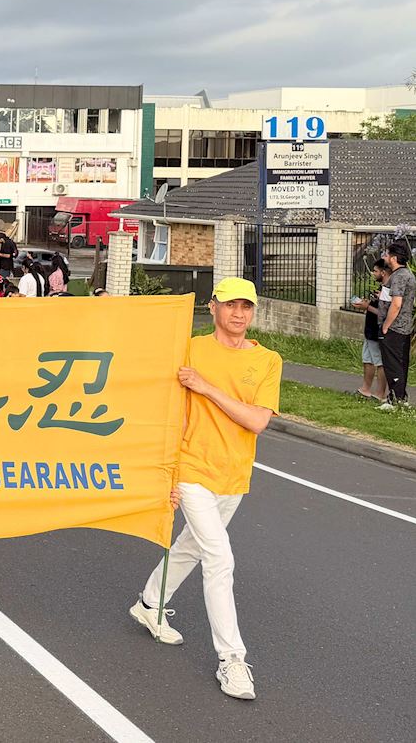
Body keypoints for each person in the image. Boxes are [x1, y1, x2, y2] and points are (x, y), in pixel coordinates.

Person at [128, 277, 280, 702]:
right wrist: (165, 473)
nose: (238, 314)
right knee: (219, 558)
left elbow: (257, 421)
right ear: (213, 307)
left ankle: (149, 604)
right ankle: (232, 659)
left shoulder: (268, 361)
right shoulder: (189, 349)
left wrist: (206, 387)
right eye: (230, 305)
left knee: (191, 547)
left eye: (246, 307)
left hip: (233, 474)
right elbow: (165, 410)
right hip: (191, 468)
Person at [378, 242, 415, 410]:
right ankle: (400, 397)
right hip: (403, 326)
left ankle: (395, 398)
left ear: (393, 258)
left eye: (386, 255)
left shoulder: (399, 276)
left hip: (395, 327)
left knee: (392, 363)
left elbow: (397, 304)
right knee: (400, 363)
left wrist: (386, 325)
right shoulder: (406, 274)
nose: (384, 257)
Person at [352, 260, 390, 401]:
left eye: (375, 271)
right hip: (370, 330)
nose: (373, 273)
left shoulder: (389, 289)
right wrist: (368, 303)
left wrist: (367, 307)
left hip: (377, 330)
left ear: (383, 272)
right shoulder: (382, 288)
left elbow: (384, 313)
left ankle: (380, 393)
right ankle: (365, 389)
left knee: (380, 362)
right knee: (367, 359)